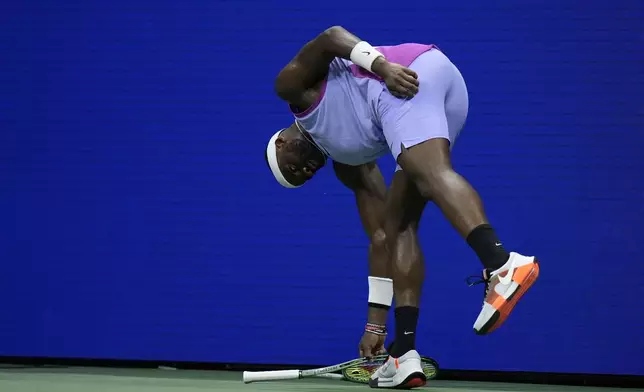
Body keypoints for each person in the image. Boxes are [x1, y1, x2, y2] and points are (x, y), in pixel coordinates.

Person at [265, 26, 540, 389]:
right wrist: (374, 324)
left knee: (431, 174)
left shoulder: (293, 91)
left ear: (282, 142)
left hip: (405, 77)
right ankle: (403, 353)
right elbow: (380, 236)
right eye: (302, 178)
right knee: (399, 225)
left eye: (293, 168)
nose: (305, 171)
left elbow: (329, 38)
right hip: (442, 91)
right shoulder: (350, 164)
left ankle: (501, 264)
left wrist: (381, 67)